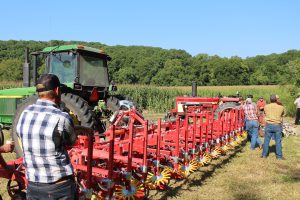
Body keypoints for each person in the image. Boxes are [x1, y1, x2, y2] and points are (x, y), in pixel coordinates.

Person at [16, 74, 77, 200]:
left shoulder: (24, 114)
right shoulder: (62, 118)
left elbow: (21, 136)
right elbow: (71, 142)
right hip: (59, 188)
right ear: (57, 90)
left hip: (33, 186)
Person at [261, 94, 285, 160]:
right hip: (277, 125)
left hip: (269, 124)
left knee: (266, 140)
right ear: (276, 100)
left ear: (270, 100)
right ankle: (279, 157)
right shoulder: (281, 107)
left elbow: (265, 113)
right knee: (278, 141)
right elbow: (283, 114)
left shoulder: (266, 106)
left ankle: (264, 155)